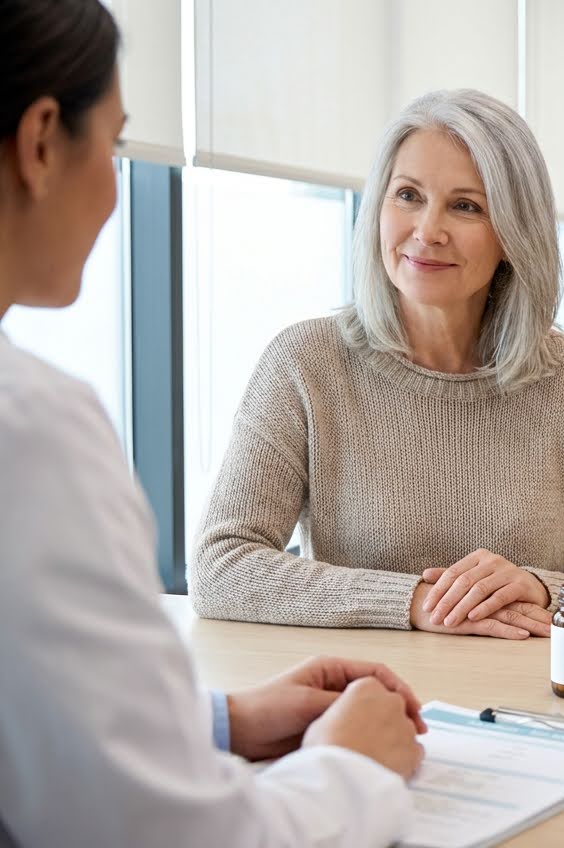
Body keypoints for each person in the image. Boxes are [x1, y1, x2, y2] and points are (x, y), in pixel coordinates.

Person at [0, 2, 425, 845]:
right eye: (117, 147)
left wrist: (219, 722)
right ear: (42, 140)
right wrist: (351, 767)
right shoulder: (31, 431)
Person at [189, 89, 564, 636]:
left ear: (513, 233)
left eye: (466, 205)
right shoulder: (305, 363)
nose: (427, 230)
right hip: (359, 693)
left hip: (522, 702)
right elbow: (220, 567)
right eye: (407, 194)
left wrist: (544, 588)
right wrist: (414, 602)